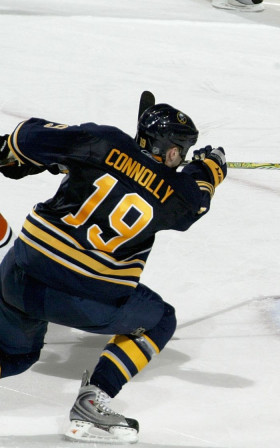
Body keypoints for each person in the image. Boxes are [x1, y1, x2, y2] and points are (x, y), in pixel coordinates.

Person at [0, 103, 227, 443]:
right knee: (161, 320)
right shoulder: (177, 194)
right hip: (81, 299)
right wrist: (210, 167)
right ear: (173, 151)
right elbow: (197, 200)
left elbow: (26, 137)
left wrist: (19, 157)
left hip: (18, 276)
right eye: (184, 152)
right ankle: (92, 402)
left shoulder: (102, 142)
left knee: (15, 354)